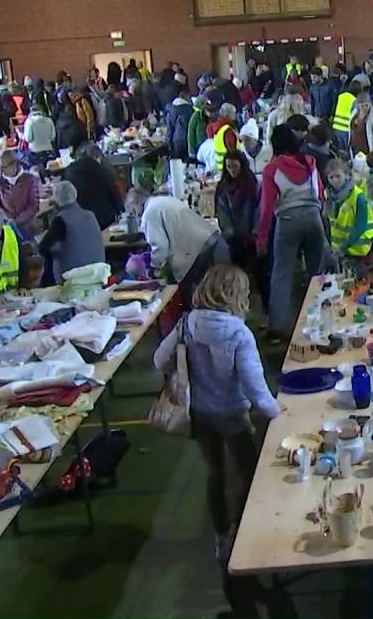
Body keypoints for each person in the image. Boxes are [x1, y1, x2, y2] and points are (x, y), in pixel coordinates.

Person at [151, 264, 280, 616]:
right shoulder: (239, 334)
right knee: (249, 475)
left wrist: (181, 374)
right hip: (234, 416)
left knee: (216, 473)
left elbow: (158, 359)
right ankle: (248, 539)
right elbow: (257, 392)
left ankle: (222, 537)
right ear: (236, 295)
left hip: (201, 416)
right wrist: (283, 416)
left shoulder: (186, 324)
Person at [257, 125, 327, 340]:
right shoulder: (310, 162)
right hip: (314, 218)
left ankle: (278, 328)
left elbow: (267, 207)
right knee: (317, 272)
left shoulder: (272, 169)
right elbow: (321, 194)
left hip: (288, 222)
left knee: (282, 273)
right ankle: (322, 321)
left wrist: (261, 238)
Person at [128, 188, 229, 305]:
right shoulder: (163, 200)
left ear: (138, 203)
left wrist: (153, 269)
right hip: (211, 240)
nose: (135, 215)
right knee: (216, 296)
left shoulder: (149, 212)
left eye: (133, 210)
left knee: (194, 298)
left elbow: (160, 246)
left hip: (199, 251)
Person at [38, 181, 105, 285]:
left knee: (49, 263)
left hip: (73, 279)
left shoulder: (61, 220)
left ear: (56, 199)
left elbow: (42, 248)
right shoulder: (90, 215)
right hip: (97, 273)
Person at [324, 159, 373, 271]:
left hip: (358, 250)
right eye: (331, 177)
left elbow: (360, 226)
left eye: (338, 176)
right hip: (340, 251)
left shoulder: (358, 197)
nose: (335, 181)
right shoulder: (329, 197)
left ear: (346, 176)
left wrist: (343, 247)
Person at [215, 152, 259, 273]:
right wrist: (229, 231)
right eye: (228, 167)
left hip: (251, 236)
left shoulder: (252, 184)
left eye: (234, 166)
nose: (232, 170)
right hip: (233, 239)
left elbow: (257, 209)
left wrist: (255, 231)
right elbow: (221, 211)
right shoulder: (223, 187)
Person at [63, 143, 124, 229]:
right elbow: (114, 192)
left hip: (78, 220)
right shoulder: (101, 170)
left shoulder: (69, 171)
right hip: (104, 218)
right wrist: (121, 211)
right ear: (96, 157)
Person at [0, 150, 41, 240]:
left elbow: (34, 205)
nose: (2, 171)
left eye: (5, 167)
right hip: (7, 227)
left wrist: (18, 220)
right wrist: (6, 217)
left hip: (28, 227)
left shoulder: (29, 179)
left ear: (14, 164)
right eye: (1, 168)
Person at [207, 103, 240, 172]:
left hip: (222, 165)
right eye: (233, 113)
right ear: (228, 115)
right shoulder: (227, 130)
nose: (235, 116)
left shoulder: (218, 127)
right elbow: (232, 150)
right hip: (230, 166)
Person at [330, 78, 360, 151]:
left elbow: (334, 108)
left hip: (335, 127)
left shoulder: (341, 96)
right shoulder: (354, 100)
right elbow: (355, 115)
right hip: (346, 129)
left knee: (338, 150)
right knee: (346, 151)